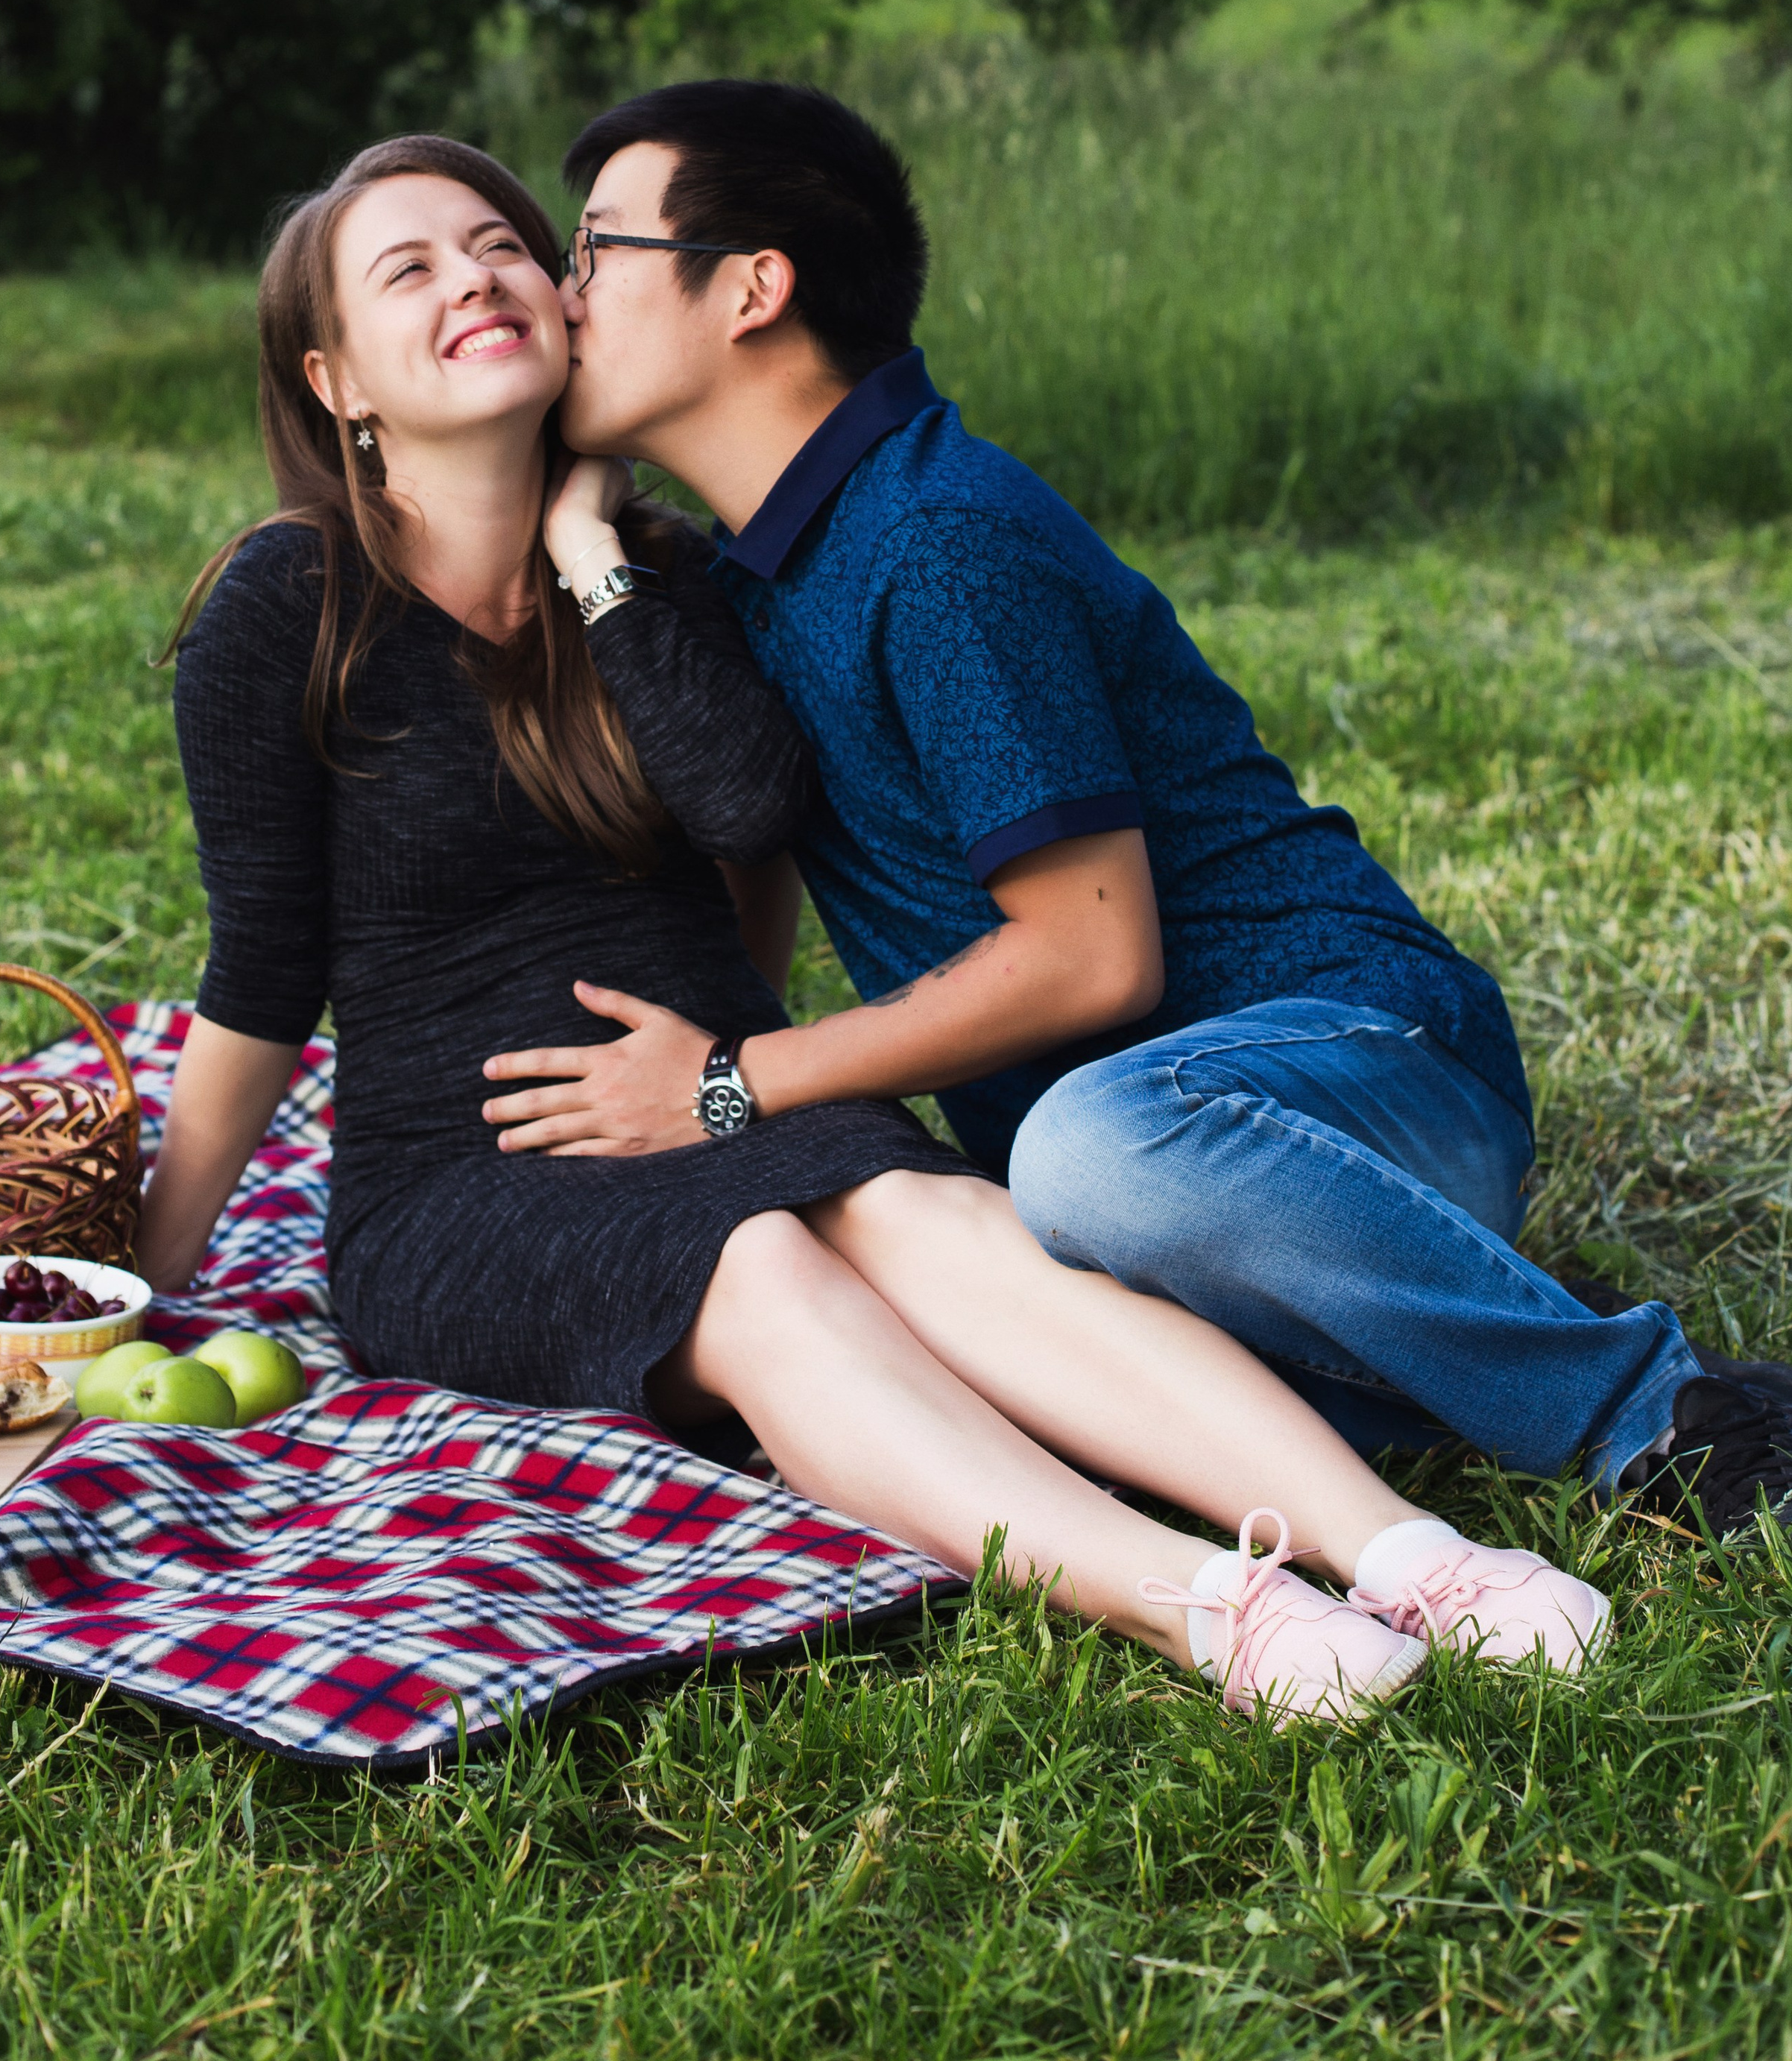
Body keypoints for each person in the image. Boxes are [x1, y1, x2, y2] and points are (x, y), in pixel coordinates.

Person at [138, 132, 1609, 1723]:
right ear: (334, 377)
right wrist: (136, 1285)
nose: (481, 277)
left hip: (710, 1095)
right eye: (407, 269)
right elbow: (262, 984)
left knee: (945, 1225)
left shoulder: (662, 579)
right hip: (464, 1177)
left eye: (504, 245)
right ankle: (1210, 1610)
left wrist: (585, 560)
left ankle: (1406, 1554)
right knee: (764, 1257)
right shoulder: (288, 608)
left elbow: (740, 814)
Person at [479, 77, 1792, 1540]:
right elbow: (747, 858)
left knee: (1091, 1159)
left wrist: (732, 1085)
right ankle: (1414, 1335)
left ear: (753, 289)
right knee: (1007, 1339)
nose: (559, 291)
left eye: (596, 249)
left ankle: (1656, 1407)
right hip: (1138, 1181)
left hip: (1354, 1074)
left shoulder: (934, 543)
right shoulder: (760, 573)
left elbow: (1092, 959)